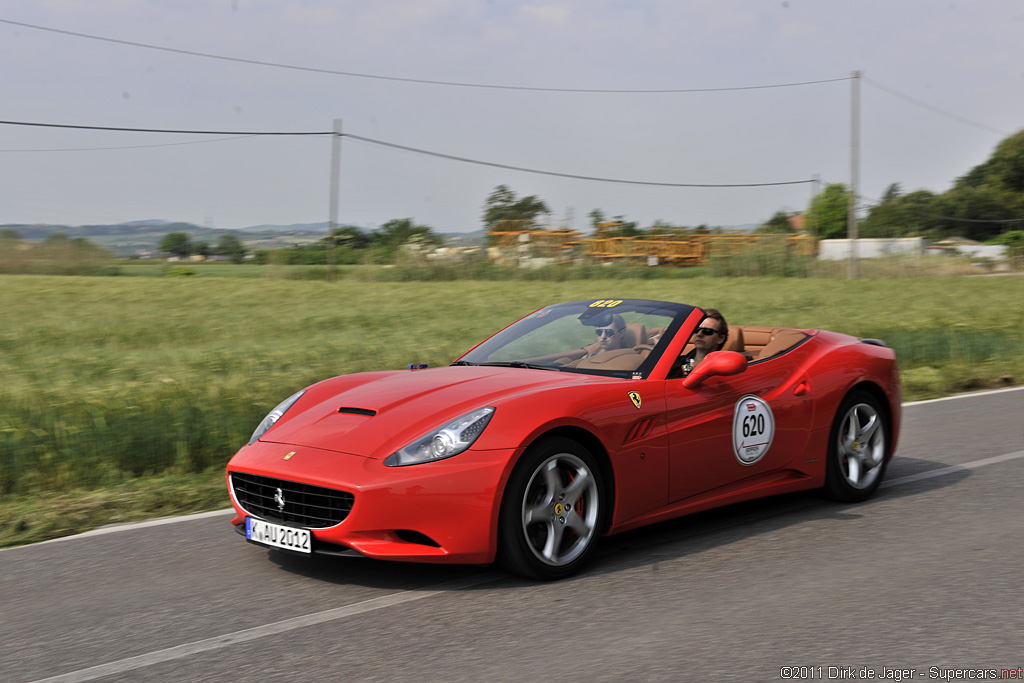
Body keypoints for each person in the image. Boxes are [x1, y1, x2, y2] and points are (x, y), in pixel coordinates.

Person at [678, 308, 728, 377]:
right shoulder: (678, 361)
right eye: (696, 329)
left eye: (707, 331)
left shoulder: (724, 366)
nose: (699, 334)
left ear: (721, 338)